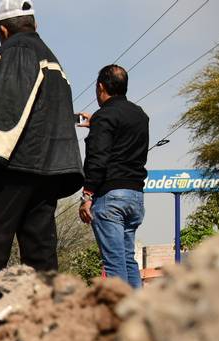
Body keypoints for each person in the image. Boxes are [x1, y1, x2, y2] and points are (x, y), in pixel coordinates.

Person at [0, 0, 84, 282]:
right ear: (34, 24)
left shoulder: (17, 48)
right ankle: (44, 303)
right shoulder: (52, 60)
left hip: (15, 162)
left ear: (4, 30)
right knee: (39, 246)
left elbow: (10, 104)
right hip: (48, 169)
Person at [77, 65, 150, 290]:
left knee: (114, 263)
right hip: (135, 196)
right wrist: (98, 123)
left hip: (111, 198)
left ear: (101, 87)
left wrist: (87, 194)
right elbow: (123, 137)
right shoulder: (140, 115)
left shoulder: (105, 116)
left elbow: (98, 159)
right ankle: (137, 309)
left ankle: (120, 310)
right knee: (128, 260)